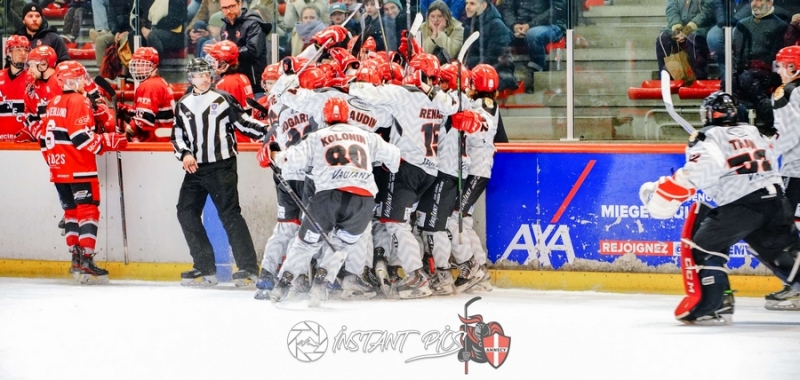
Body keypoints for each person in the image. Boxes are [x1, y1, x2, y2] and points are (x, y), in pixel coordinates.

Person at [639, 91, 800, 325]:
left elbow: (704, 169)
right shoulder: (753, 131)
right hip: (776, 202)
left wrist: (663, 194)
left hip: (743, 205)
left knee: (704, 246)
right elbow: (774, 149)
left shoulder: (708, 137)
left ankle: (712, 305)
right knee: (782, 251)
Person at [262, 97, 401, 306]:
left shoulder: (318, 136)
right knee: (342, 245)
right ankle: (321, 285)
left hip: (329, 197)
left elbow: (287, 160)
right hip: (363, 201)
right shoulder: (367, 136)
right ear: (347, 116)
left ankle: (283, 284)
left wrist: (271, 153)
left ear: (324, 118)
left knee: (306, 244)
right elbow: (395, 159)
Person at [349, 53, 461, 299]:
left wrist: (358, 79)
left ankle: (416, 276)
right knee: (403, 224)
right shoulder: (439, 101)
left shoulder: (401, 94)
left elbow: (361, 91)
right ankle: (417, 272)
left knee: (395, 224)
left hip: (406, 168)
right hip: (429, 171)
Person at [172, 58, 268, 287]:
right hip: (195, 169)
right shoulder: (183, 103)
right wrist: (185, 154)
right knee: (185, 212)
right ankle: (205, 267)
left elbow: (244, 123)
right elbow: (177, 135)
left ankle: (248, 268)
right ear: (190, 77)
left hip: (222, 165)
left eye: (206, 74)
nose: (203, 78)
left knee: (230, 215)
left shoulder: (222, 98)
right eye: (198, 74)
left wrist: (268, 131)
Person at [43, 60, 128, 284]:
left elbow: (45, 140)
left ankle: (76, 259)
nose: (80, 81)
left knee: (71, 213)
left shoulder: (52, 102)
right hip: (80, 168)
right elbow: (81, 139)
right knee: (88, 211)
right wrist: (108, 142)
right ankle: (87, 260)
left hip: (58, 169)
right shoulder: (79, 100)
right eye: (78, 78)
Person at [414, 63, 482, 296]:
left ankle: (447, 273)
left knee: (436, 228)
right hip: (446, 169)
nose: (437, 84)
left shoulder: (457, 98)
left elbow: (445, 103)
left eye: (441, 80)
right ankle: (451, 268)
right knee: (431, 225)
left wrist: (426, 87)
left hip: (447, 170)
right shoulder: (459, 98)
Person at [448, 63, 500, 293]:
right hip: (473, 170)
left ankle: (472, 268)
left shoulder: (484, 104)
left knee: (456, 218)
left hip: (476, 170)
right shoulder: (477, 102)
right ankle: (480, 270)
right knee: (464, 221)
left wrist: (471, 120)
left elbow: (483, 123)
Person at [764, 45, 800, 310]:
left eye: (782, 65)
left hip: (796, 171)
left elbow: (788, 136)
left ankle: (797, 288)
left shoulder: (786, 93)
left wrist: (764, 147)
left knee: (786, 229)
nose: (778, 70)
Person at [732, 0, 787, 134]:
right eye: (752, 0)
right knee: (729, 80)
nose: (754, 4)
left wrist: (758, 65)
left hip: (769, 72)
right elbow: (736, 52)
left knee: (746, 77)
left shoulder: (780, 25)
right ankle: (735, 122)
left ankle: (769, 117)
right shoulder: (742, 24)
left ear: (770, 2)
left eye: (759, 0)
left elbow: (776, 55)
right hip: (745, 70)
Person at [208, 0, 271, 95]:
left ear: (240, 4)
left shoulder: (253, 24)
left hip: (253, 85)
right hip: (232, 85)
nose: (228, 11)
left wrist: (227, 53)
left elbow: (252, 51)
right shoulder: (224, 28)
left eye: (232, 6)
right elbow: (227, 59)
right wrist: (218, 55)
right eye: (224, 8)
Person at [116, 47, 176, 142]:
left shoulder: (150, 86)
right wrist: (129, 110)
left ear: (154, 66)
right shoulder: (159, 82)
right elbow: (152, 112)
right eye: (136, 64)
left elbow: (143, 122)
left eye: (142, 64)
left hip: (154, 142)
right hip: (163, 138)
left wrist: (125, 135)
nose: (138, 68)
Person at [207, 40, 256, 141]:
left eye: (215, 60)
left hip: (235, 137)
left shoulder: (226, 83)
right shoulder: (242, 77)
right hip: (246, 134)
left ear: (224, 63)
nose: (212, 64)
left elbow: (224, 115)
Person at [655, 0, 715, 80]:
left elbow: (708, 11)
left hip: (702, 26)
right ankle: (667, 77)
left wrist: (690, 28)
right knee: (663, 38)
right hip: (679, 26)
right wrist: (677, 27)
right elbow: (671, 9)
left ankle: (697, 77)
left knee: (693, 37)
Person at [462, 0, 514, 91]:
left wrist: (471, 63)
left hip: (499, 73)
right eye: (466, 3)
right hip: (477, 72)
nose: (467, 7)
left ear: (483, 6)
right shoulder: (468, 26)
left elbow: (493, 59)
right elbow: (467, 57)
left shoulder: (497, 26)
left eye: (472, 3)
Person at [16, 45, 60, 143]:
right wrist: (42, 136)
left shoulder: (66, 82)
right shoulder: (31, 90)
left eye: (31, 65)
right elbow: (30, 118)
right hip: (46, 140)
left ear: (43, 64)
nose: (29, 69)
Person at [0, 35, 30, 142]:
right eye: (18, 49)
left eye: (25, 50)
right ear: (9, 52)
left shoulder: (32, 79)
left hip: (24, 142)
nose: (22, 53)